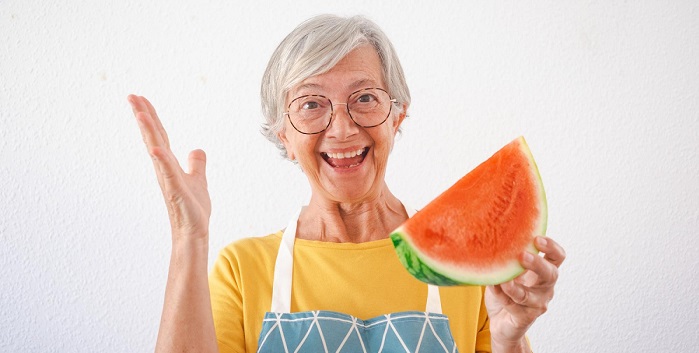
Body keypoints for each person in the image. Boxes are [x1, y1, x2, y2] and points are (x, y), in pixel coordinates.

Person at [128, 14, 565, 353]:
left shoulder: (465, 269)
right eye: (312, 104)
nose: (341, 129)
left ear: (398, 115)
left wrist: (510, 341)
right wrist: (190, 235)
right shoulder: (243, 270)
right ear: (283, 131)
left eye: (365, 98)